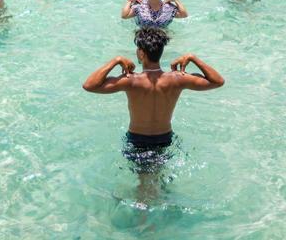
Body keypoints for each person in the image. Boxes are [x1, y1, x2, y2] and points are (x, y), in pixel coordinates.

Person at [82, 28, 224, 173]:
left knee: (143, 183)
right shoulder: (177, 79)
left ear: (141, 53)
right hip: (165, 139)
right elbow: (218, 81)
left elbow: (89, 85)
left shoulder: (131, 81)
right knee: (157, 178)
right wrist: (193, 58)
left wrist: (115, 60)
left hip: (137, 140)